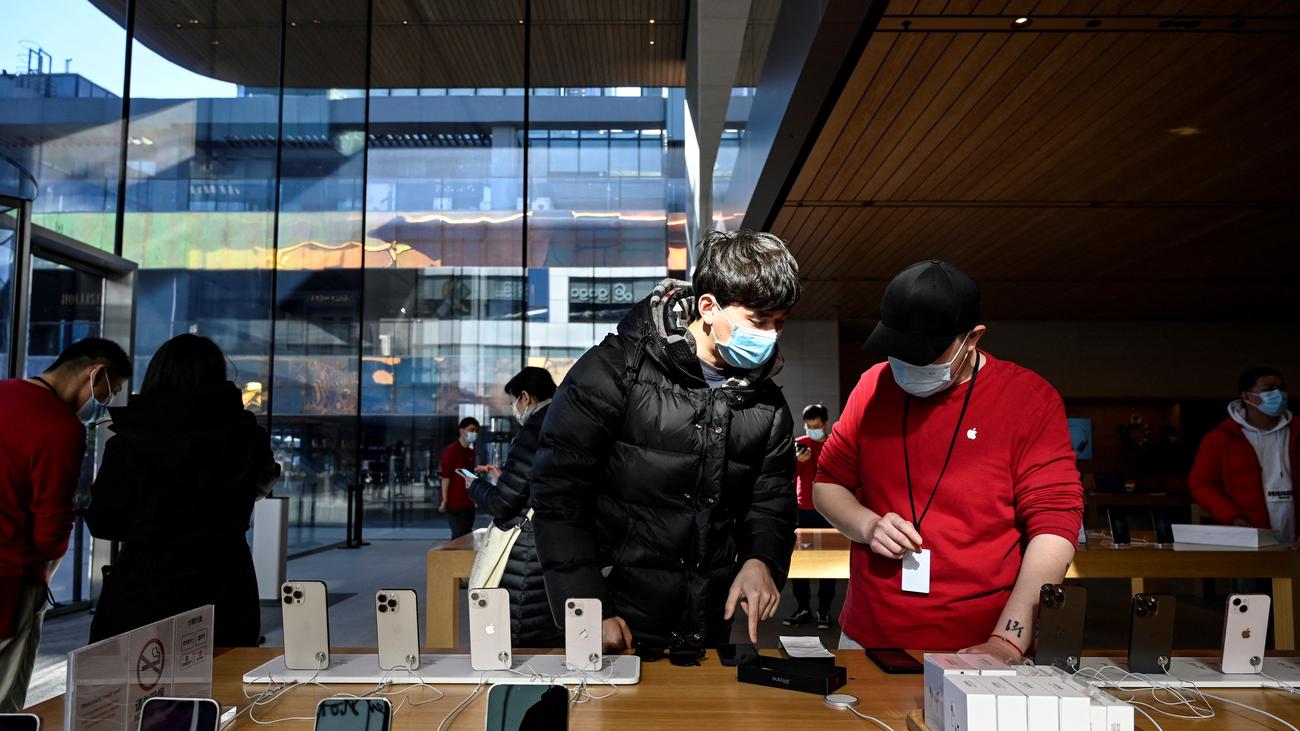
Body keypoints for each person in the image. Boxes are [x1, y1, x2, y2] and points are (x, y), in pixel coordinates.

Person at [531, 229, 800, 654]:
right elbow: (558, 495)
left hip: (705, 626)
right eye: (758, 321)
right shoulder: (614, 370)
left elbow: (771, 504)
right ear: (708, 307)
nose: (771, 336)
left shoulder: (767, 404)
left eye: (779, 323)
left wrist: (760, 559)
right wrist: (585, 605)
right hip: (613, 621)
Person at [813, 260, 1083, 662]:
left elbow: (1055, 523)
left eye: (924, 354)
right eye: (898, 351)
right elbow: (827, 484)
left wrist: (1010, 638)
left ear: (972, 338)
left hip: (985, 641)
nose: (908, 365)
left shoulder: (1028, 399)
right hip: (871, 635)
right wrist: (868, 526)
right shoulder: (873, 386)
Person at [86, 334, 279, 647]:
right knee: (227, 675)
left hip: (146, 589)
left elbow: (104, 523)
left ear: (156, 376)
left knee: (144, 676)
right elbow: (261, 486)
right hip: (226, 585)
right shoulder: (248, 437)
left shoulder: (129, 443)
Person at [0, 337, 130, 711]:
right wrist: (50, 558)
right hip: (11, 579)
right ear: (95, 374)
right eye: (109, 391)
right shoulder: (60, 428)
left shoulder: (4, 393)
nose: (105, 401)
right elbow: (51, 524)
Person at [467, 367, 562, 646]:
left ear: (525, 397)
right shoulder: (567, 424)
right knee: (551, 631)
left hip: (527, 549)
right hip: (559, 539)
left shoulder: (533, 431)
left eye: (513, 401)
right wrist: (506, 479)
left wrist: (475, 486)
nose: (514, 408)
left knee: (522, 633)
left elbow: (502, 503)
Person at [1189, 367, 1296, 549]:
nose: (1278, 395)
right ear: (1246, 396)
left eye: (1282, 388)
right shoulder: (1221, 438)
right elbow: (1201, 483)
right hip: (1250, 539)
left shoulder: (1297, 432)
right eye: (1269, 389)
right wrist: (1231, 515)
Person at [784, 403, 838, 630]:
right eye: (808, 426)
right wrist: (798, 462)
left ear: (824, 424)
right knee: (800, 563)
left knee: (830, 563)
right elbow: (786, 476)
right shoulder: (799, 443)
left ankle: (824, 610)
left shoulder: (834, 445)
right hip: (803, 510)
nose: (812, 430)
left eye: (816, 426)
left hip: (829, 511)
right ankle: (803, 608)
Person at [440, 417, 480, 539]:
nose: (474, 433)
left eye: (476, 431)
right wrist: (445, 500)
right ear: (462, 430)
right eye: (471, 430)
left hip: (469, 503)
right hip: (455, 504)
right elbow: (446, 477)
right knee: (459, 537)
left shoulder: (471, 453)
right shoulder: (451, 451)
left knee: (467, 536)